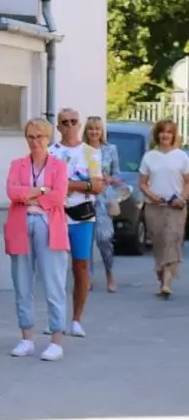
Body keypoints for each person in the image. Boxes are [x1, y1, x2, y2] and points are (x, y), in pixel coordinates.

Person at [5, 118, 70, 361]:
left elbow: (58, 195)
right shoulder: (18, 164)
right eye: (31, 137)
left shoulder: (59, 166)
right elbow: (12, 192)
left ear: (48, 138)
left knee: (54, 283)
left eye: (40, 137)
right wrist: (42, 191)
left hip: (49, 225)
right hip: (21, 224)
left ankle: (56, 339)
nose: (35, 142)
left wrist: (32, 195)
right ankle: (27, 338)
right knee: (22, 282)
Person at [48, 109, 104, 337]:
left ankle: (77, 319)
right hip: (56, 216)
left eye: (73, 121)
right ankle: (56, 318)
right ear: (58, 127)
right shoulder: (51, 152)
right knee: (55, 269)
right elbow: (47, 185)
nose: (69, 125)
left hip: (82, 217)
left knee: (80, 267)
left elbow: (98, 186)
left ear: (79, 125)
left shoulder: (90, 153)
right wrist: (81, 185)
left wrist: (67, 184)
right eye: (65, 122)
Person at [138, 119, 189, 298]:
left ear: (173, 135)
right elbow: (142, 183)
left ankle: (167, 283)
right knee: (159, 243)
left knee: (172, 240)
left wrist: (182, 198)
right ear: (157, 134)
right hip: (154, 207)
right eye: (162, 131)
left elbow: (187, 182)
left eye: (169, 132)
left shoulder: (181, 156)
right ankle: (161, 275)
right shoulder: (149, 157)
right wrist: (152, 196)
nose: (165, 135)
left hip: (175, 207)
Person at [83, 116, 122, 292]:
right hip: (84, 198)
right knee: (86, 241)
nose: (94, 132)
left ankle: (109, 272)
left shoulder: (110, 149)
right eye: (91, 129)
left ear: (101, 131)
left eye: (97, 129)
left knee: (104, 239)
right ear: (86, 131)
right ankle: (88, 277)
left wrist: (110, 179)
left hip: (104, 200)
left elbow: (117, 174)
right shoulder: (81, 150)